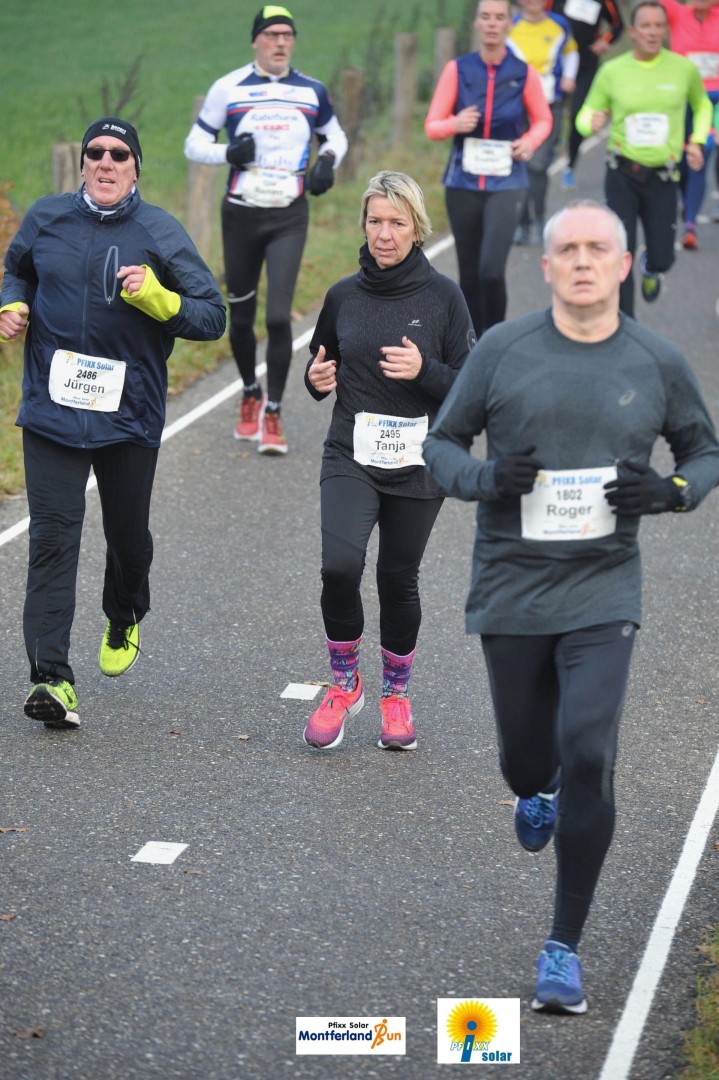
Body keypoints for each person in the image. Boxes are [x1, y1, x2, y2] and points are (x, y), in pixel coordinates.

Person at [423, 200, 719, 1014]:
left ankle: (562, 945)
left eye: (598, 248)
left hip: (602, 586)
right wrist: (487, 479)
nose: (582, 260)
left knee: (589, 747)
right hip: (512, 586)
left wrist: (669, 490)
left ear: (623, 266)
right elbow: (440, 444)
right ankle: (537, 785)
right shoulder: (501, 350)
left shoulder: (655, 360)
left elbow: (704, 451)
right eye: (568, 249)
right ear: (547, 265)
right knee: (528, 763)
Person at [0, 117, 226, 730]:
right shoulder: (47, 217)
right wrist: (12, 303)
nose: (106, 162)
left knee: (127, 538)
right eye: (95, 152)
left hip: (129, 413)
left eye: (119, 154)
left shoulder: (159, 232)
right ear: (82, 163)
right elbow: (17, 268)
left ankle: (123, 612)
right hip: (52, 409)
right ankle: (51, 677)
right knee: (52, 539)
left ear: (135, 168)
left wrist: (158, 297)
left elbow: (212, 317)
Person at [302, 171, 475, 752]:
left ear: (417, 228)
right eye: (375, 221)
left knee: (397, 579)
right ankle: (344, 684)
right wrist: (315, 380)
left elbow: (470, 388)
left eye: (397, 222)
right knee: (339, 568)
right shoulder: (342, 296)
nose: (384, 233)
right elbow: (319, 365)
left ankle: (396, 695)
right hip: (351, 452)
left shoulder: (444, 298)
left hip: (419, 461)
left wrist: (424, 371)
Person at [184, 4, 348, 454]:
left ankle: (273, 411)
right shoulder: (229, 88)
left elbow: (336, 135)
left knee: (278, 316)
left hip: (288, 216)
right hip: (240, 214)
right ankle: (250, 393)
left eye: (287, 36)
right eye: (272, 35)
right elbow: (194, 144)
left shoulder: (312, 90)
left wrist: (328, 160)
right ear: (255, 40)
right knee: (239, 315)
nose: (280, 43)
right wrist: (228, 153)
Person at [424, 0, 552, 337]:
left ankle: (494, 339)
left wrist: (530, 141)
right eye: (486, 17)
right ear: (477, 24)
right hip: (462, 183)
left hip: (507, 182)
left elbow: (543, 119)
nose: (492, 24)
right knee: (469, 275)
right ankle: (471, 345)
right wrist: (455, 123)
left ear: (510, 23)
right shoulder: (458, 69)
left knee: (491, 270)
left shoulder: (523, 73)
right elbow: (432, 126)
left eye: (499, 18)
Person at [576, 0, 712, 316]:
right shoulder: (613, 71)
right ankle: (626, 324)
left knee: (664, 257)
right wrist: (590, 123)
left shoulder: (683, 69)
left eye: (659, 26)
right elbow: (586, 113)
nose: (652, 32)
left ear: (666, 31)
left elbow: (702, 105)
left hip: (663, 175)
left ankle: (651, 267)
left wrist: (697, 140)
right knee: (619, 251)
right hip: (622, 172)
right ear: (633, 32)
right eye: (646, 26)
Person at [508, 0, 579, 243]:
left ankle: (539, 219)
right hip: (518, 106)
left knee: (537, 165)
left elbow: (571, 52)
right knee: (520, 163)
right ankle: (522, 224)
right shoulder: (511, 26)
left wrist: (569, 76)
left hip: (549, 105)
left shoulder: (559, 25)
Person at [659, 0, 719, 250]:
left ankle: (690, 225)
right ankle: (687, 204)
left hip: (715, 99)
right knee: (683, 161)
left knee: (703, 151)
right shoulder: (678, 14)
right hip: (684, 99)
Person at [549, 0, 624, 189]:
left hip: (586, 64)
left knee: (578, 115)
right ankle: (551, 147)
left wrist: (605, 40)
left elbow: (618, 25)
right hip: (557, 62)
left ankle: (570, 166)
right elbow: (544, 13)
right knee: (550, 111)